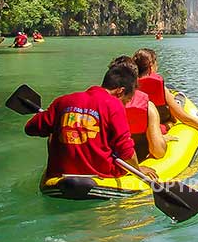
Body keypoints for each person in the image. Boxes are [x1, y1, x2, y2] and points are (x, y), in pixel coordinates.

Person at [23, 61, 157, 188]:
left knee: (52, 131)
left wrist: (57, 119)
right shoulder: (114, 105)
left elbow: (30, 128)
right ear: (120, 91)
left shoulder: (62, 101)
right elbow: (126, 151)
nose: (126, 104)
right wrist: (138, 169)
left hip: (61, 173)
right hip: (101, 173)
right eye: (127, 100)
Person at [134, 48, 198, 149]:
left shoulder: (128, 89)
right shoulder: (159, 88)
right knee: (179, 99)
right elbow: (185, 118)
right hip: (159, 128)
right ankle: (177, 99)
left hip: (137, 133)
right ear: (151, 67)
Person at [112, 56, 174, 161]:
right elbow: (158, 152)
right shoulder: (148, 108)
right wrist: (162, 139)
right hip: (137, 160)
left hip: (107, 163)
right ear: (136, 81)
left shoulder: (98, 106)